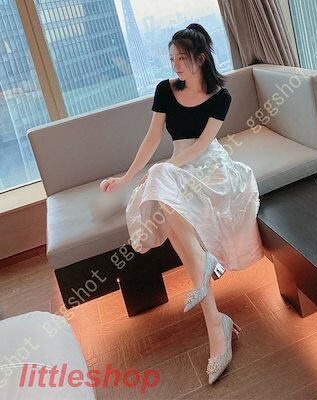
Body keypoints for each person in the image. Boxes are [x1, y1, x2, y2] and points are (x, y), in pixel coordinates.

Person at [100, 23, 264, 384]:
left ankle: (217, 325)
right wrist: (127, 177)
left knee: (164, 184)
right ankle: (215, 324)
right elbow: (152, 138)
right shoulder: (165, 90)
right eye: (171, 58)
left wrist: (166, 169)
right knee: (165, 190)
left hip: (210, 166)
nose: (174, 65)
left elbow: (203, 144)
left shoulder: (220, 96)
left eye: (181, 58)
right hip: (177, 165)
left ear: (200, 59)